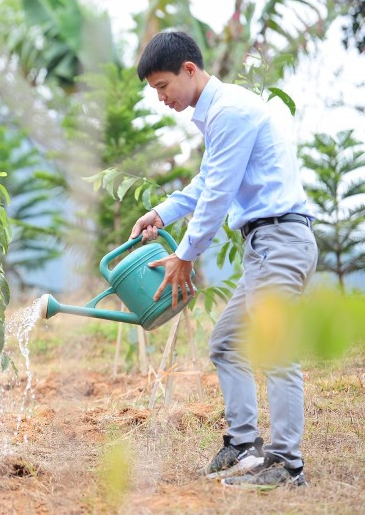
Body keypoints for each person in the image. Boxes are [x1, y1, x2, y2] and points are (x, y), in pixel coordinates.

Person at [131, 31, 317, 488]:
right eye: (154, 90)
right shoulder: (219, 114)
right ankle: (244, 445)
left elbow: (217, 195)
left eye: (162, 86)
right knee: (227, 343)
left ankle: (286, 466)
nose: (161, 99)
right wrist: (160, 211)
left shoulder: (231, 111)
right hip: (263, 245)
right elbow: (206, 183)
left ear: (188, 71)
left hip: (281, 238)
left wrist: (184, 255)